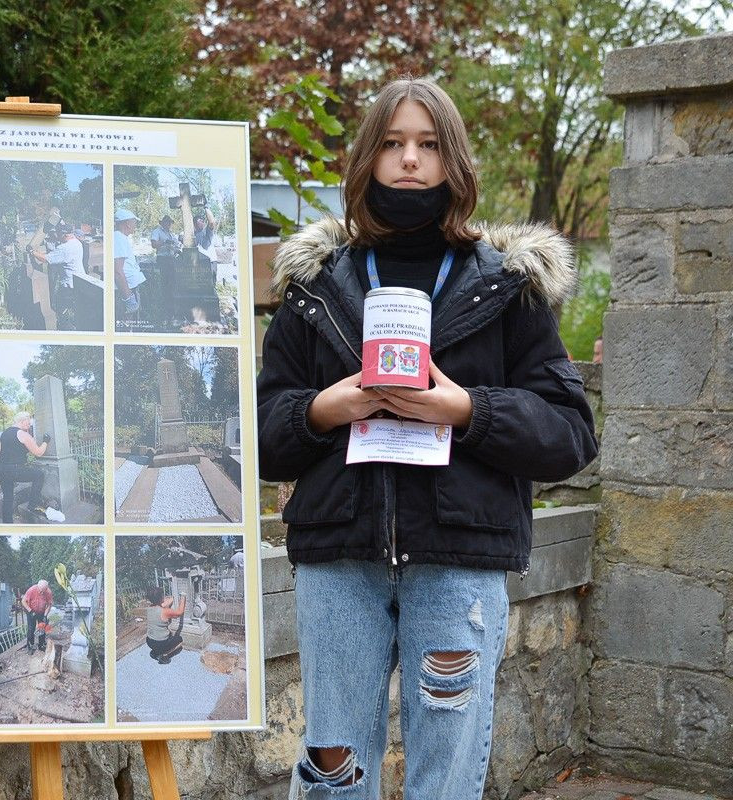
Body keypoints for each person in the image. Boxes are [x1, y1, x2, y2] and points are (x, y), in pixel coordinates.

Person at [256, 77, 597, 799]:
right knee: (332, 774)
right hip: (339, 560)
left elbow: (570, 433)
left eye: (428, 144)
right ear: (367, 159)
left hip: (458, 564)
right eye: (391, 143)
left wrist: (466, 408)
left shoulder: (507, 285)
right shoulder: (317, 286)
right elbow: (259, 440)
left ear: (455, 161)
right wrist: (325, 408)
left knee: (445, 776)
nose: (409, 160)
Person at [0, 411, 50, 523]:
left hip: (0, 469)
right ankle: (32, 505)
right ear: (23, 421)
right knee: (39, 475)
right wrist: (45, 442)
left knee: (8, 497)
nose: (29, 425)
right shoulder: (23, 434)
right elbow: (38, 452)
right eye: (28, 423)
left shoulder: (4, 433)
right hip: (13, 469)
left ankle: (7, 524)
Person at [32, 220, 85, 290]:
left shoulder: (64, 248)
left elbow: (45, 259)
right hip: (79, 281)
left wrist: (32, 252)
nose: (58, 237)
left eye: (59, 234)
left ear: (64, 234)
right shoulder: (77, 243)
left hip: (68, 285)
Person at [113, 208, 146, 316]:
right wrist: (128, 299)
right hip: (127, 288)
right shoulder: (119, 238)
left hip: (129, 286)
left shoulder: (121, 237)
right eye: (134, 222)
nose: (135, 225)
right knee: (128, 324)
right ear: (127, 223)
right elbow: (117, 271)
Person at [144, 586, 186, 664]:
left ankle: (155, 652)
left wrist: (173, 598)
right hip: (160, 643)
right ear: (161, 597)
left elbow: (163, 604)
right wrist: (183, 596)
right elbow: (180, 612)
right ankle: (163, 655)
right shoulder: (165, 611)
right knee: (180, 640)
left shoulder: (149, 608)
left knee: (167, 636)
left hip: (149, 641)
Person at [21, 579, 54, 652]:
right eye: (41, 590)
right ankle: (30, 645)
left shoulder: (48, 592)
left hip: (41, 611)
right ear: (38, 587)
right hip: (30, 609)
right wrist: (30, 611)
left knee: (42, 627)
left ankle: (41, 645)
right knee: (31, 628)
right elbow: (23, 601)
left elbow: (49, 604)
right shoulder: (32, 590)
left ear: (46, 588)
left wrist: (45, 615)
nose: (42, 592)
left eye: (44, 591)